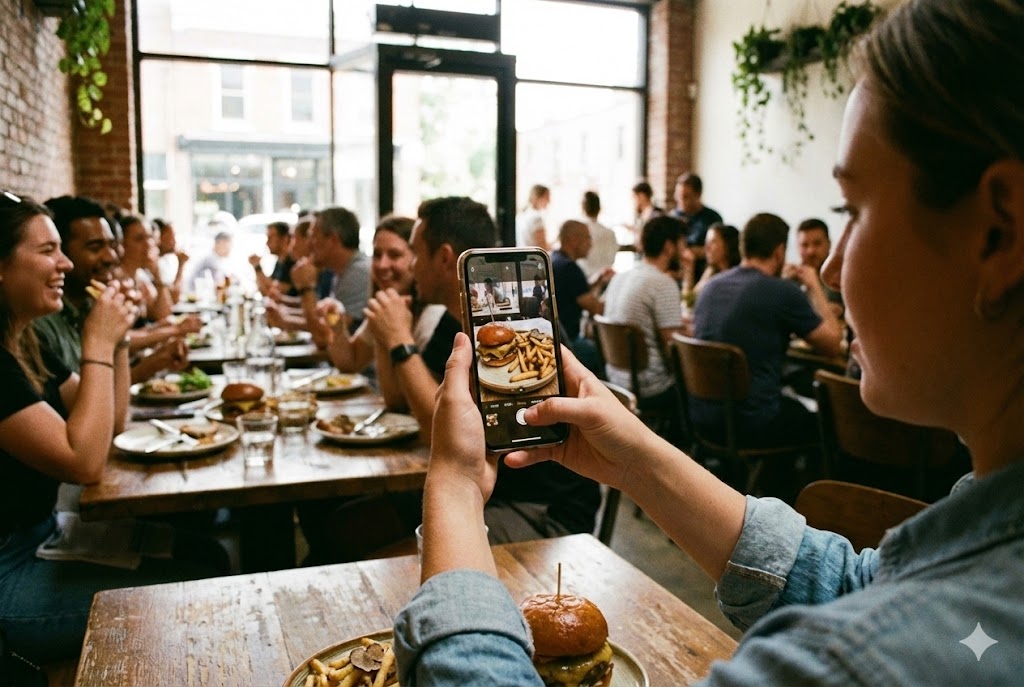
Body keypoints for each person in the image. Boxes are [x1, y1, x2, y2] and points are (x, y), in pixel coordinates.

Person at [393, 1, 1024, 682]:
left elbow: (879, 625)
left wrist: (456, 486)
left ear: (999, 233)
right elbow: (855, 583)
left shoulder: (861, 662)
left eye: (853, 211)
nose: (833, 267)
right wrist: (634, 458)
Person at [0, 194, 228, 661]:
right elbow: (83, 462)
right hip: (11, 570)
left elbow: (111, 422)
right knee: (202, 598)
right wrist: (98, 342)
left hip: (49, 533)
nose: (63, 262)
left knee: (211, 558)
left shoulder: (24, 346)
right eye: (47, 251)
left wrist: (119, 342)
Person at [366, 196, 600, 542]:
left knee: (379, 560)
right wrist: (387, 337)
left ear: (444, 257)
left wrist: (400, 342)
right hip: (484, 494)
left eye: (415, 253)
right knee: (350, 523)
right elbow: (401, 401)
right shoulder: (456, 320)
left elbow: (440, 432)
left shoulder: (515, 326)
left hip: (540, 514)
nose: (411, 266)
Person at [692, 213, 843, 453]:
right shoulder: (781, 291)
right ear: (780, 251)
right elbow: (833, 345)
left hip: (702, 417)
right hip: (752, 424)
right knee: (828, 421)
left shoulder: (710, 286)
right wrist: (813, 284)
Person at [321, 215, 446, 374]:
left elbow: (401, 398)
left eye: (394, 255)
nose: (382, 265)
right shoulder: (387, 305)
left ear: (417, 259)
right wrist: (337, 324)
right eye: (377, 255)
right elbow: (350, 362)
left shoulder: (434, 315)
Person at [601, 215, 686, 412]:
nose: (685, 251)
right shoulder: (663, 283)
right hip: (648, 387)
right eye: (682, 244)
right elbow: (671, 348)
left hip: (615, 379)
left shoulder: (621, 277)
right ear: (669, 247)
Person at [550, 219, 606, 374]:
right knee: (604, 354)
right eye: (587, 237)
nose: (591, 243)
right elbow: (596, 309)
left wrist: (596, 281)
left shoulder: (555, 259)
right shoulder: (570, 268)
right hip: (570, 343)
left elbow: (574, 292)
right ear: (574, 240)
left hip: (557, 339)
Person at [790, 218, 844, 317]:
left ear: (829, 244)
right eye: (804, 245)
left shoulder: (841, 275)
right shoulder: (789, 279)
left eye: (817, 243)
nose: (811, 251)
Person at [681, 222, 740, 306]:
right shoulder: (711, 272)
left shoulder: (738, 276)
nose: (706, 248)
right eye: (706, 243)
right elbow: (688, 303)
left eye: (713, 242)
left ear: (728, 245)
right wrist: (688, 269)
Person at [577, 190, 619, 281]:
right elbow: (612, 259)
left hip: (584, 280)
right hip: (607, 279)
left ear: (582, 208)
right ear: (599, 208)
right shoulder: (610, 233)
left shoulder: (578, 233)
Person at [250, 220, 293, 298]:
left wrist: (257, 267)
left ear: (284, 239)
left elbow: (272, 292)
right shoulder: (280, 262)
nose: (267, 243)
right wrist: (256, 267)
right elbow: (264, 291)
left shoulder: (291, 263)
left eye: (270, 238)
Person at [153, 218, 188, 304]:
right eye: (171, 237)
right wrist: (181, 264)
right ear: (158, 238)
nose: (175, 242)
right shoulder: (152, 265)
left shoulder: (164, 261)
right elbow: (173, 297)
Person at [515, 184, 550, 249]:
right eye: (547, 197)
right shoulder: (536, 218)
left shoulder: (522, 214)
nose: (549, 201)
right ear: (538, 198)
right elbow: (542, 246)